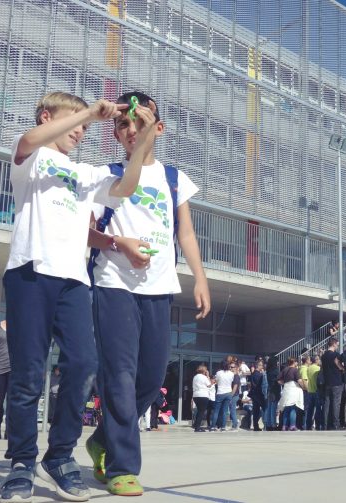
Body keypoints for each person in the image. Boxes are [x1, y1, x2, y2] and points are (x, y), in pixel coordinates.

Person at [0, 91, 154, 503]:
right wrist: (89, 111)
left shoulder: (84, 173)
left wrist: (141, 145)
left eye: (85, 128)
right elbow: (30, 141)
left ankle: (60, 455)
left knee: (84, 364)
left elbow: (125, 186)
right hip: (30, 272)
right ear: (50, 117)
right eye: (74, 124)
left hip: (73, 281)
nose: (81, 131)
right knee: (29, 374)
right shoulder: (30, 157)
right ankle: (20, 462)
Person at [84, 91, 210, 495]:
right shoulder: (105, 174)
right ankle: (123, 465)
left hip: (159, 287)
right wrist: (118, 244)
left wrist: (201, 277)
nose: (131, 128)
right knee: (119, 375)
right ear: (115, 133)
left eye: (139, 121)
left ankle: (103, 438)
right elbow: (86, 232)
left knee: (152, 377)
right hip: (114, 284)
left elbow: (184, 233)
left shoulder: (175, 179)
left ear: (159, 128)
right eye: (123, 123)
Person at [321, 338, 343, 430]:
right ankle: (336, 424)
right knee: (336, 403)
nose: (337, 346)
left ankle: (325, 424)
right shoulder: (336, 355)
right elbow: (339, 365)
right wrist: (342, 369)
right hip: (336, 381)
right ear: (334, 344)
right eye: (337, 344)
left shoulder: (323, 356)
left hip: (327, 382)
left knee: (327, 403)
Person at [277, 358, 305, 431]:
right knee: (293, 408)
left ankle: (284, 426)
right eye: (296, 362)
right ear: (294, 362)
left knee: (286, 409)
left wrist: (285, 383)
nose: (297, 363)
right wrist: (303, 387)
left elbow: (278, 380)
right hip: (293, 390)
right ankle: (292, 425)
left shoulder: (284, 370)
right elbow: (299, 380)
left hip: (286, 389)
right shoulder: (295, 370)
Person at [210, 361, 237, 431]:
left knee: (216, 411)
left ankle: (213, 426)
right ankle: (223, 427)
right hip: (228, 392)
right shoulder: (231, 374)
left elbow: (216, 382)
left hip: (220, 392)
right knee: (225, 411)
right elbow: (231, 381)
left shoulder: (218, 373)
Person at [191, 365, 212, 432]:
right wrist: (208, 376)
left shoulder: (195, 377)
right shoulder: (204, 377)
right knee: (201, 412)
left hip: (195, 395)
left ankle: (196, 425)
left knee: (199, 410)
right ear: (204, 371)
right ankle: (197, 428)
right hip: (203, 395)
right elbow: (209, 385)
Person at [304, 356, 323, 431]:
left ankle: (308, 425)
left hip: (310, 390)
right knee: (318, 410)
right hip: (316, 390)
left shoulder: (308, 368)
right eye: (319, 359)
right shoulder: (318, 369)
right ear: (316, 360)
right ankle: (318, 425)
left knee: (310, 410)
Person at [249, 360, 268, 431]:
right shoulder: (259, 375)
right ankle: (265, 424)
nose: (262, 367)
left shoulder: (253, 374)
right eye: (261, 365)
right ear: (258, 365)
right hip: (259, 395)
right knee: (265, 409)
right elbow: (261, 385)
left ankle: (255, 426)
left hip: (254, 395)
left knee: (256, 411)